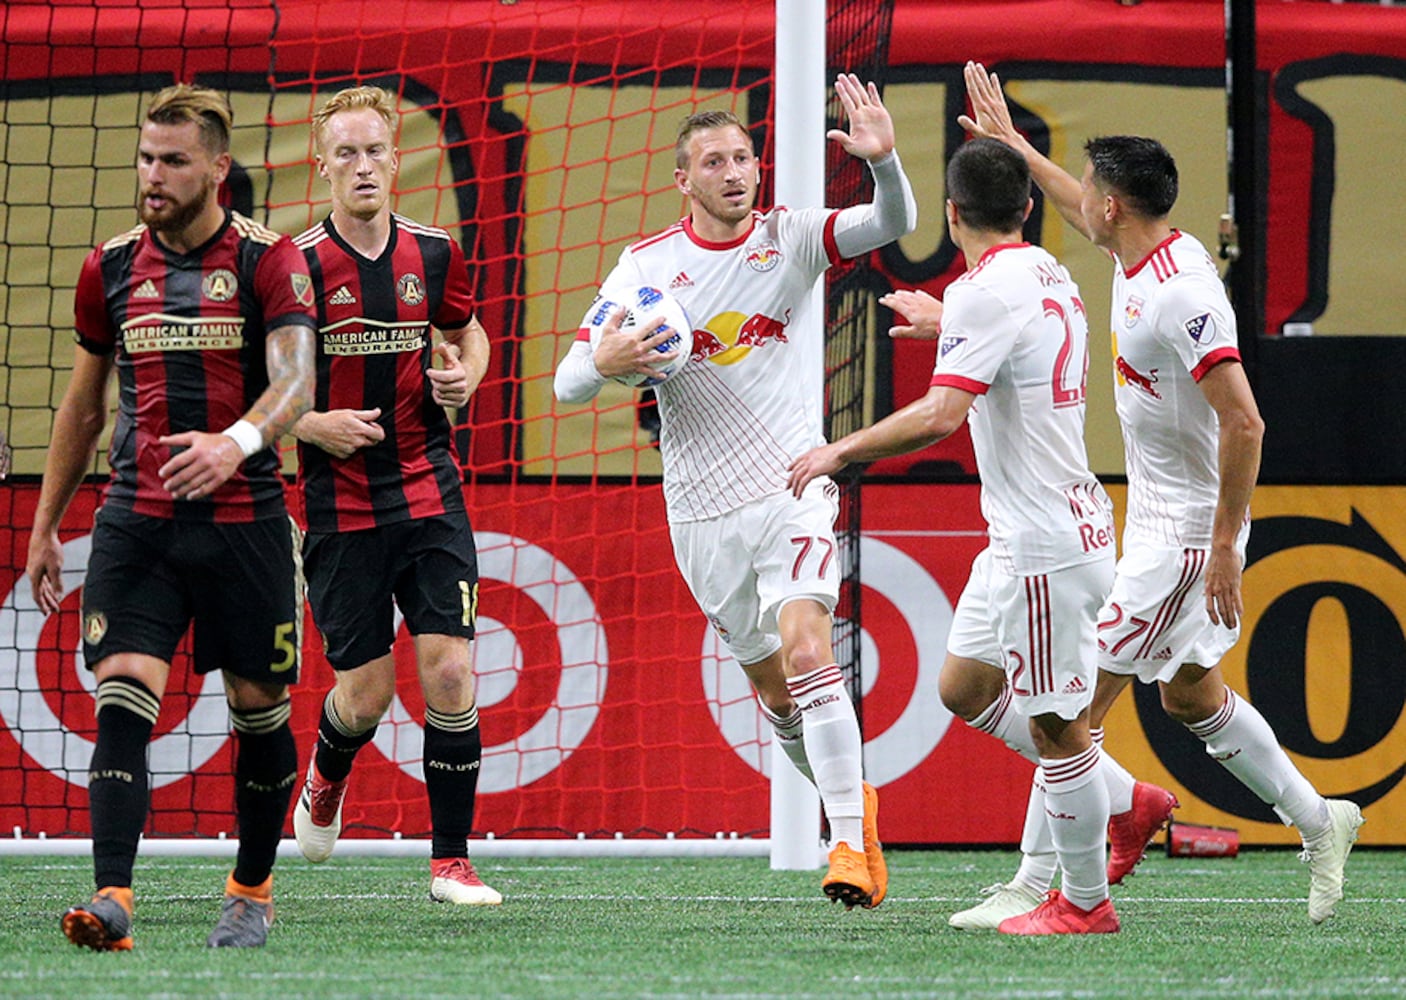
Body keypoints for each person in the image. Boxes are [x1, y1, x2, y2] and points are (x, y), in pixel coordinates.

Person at [956, 60, 1363, 924]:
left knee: (1065, 714)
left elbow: (1245, 424)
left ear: (1116, 207)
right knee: (1186, 695)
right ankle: (1321, 818)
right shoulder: (1135, 252)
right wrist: (1016, 148)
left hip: (1181, 536)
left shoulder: (1180, 294)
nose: (1082, 201)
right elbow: (1067, 200)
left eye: (1092, 191)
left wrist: (1221, 544)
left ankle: (1047, 892)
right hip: (1156, 523)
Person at [554, 74, 916, 908]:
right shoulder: (647, 270)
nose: (733, 172)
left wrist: (886, 164)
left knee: (807, 650)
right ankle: (848, 801)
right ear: (683, 180)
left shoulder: (788, 239)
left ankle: (851, 849)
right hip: (702, 510)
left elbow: (891, 223)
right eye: (713, 161)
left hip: (793, 482)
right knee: (774, 689)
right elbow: (571, 381)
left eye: (743, 157)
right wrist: (606, 366)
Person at [791, 137, 1122, 935]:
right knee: (964, 688)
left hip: (1046, 540)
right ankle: (1121, 795)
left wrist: (839, 449)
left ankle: (1083, 901)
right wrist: (951, 323)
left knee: (1052, 725)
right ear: (1029, 209)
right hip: (1022, 534)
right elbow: (1015, 344)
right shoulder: (1046, 271)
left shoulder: (987, 293)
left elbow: (942, 416)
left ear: (949, 214)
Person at [25, 84, 316, 949]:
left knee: (260, 711)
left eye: (174, 161)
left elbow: (300, 384)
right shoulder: (109, 266)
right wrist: (48, 524)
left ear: (218, 168)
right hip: (137, 521)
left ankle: (252, 890)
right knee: (122, 694)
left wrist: (235, 442)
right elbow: (82, 409)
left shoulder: (271, 261)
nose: (154, 176)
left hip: (246, 524)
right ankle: (113, 898)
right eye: (146, 158)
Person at [288, 86, 499, 906]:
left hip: (428, 490)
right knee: (365, 693)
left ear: (396, 159)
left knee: (449, 672)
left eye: (375, 149)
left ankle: (451, 861)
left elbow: (468, 330)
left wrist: (466, 374)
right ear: (323, 167)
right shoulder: (293, 266)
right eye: (346, 153)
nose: (363, 165)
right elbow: (253, 388)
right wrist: (312, 423)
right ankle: (327, 776)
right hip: (339, 506)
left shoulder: (433, 253)